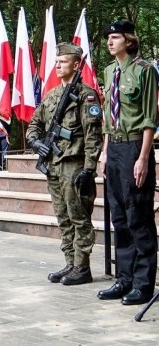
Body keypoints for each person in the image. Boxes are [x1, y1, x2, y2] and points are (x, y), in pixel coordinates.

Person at [26, 43, 103, 286]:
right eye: (56, 62)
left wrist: (89, 168)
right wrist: (37, 144)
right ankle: (70, 262)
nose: (58, 65)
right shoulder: (51, 95)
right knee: (63, 217)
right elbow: (33, 125)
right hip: (53, 166)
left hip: (74, 165)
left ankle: (82, 267)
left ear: (76, 64)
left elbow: (93, 135)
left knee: (78, 216)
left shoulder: (86, 95)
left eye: (63, 62)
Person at [97, 20, 158, 305]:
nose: (110, 42)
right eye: (108, 37)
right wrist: (105, 152)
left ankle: (144, 283)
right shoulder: (109, 72)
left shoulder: (145, 71)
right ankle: (124, 279)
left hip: (135, 146)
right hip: (115, 148)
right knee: (119, 216)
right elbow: (109, 118)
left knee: (138, 215)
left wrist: (144, 157)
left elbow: (149, 118)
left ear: (129, 41)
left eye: (115, 37)